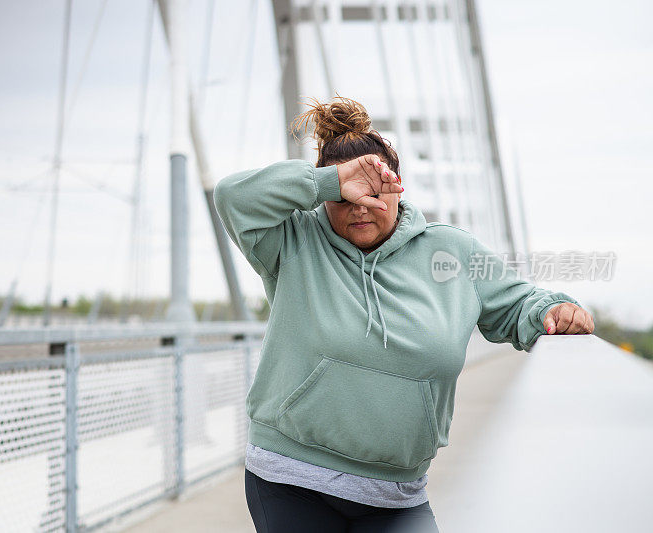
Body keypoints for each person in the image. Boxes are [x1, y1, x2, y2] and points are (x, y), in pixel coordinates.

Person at [212, 96, 594, 533]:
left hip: (396, 494)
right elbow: (231, 196)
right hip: (291, 478)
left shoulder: (452, 252)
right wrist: (329, 181)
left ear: (397, 189)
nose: (360, 207)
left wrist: (554, 309)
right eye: (344, 198)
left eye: (374, 194)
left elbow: (519, 305)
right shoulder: (294, 241)